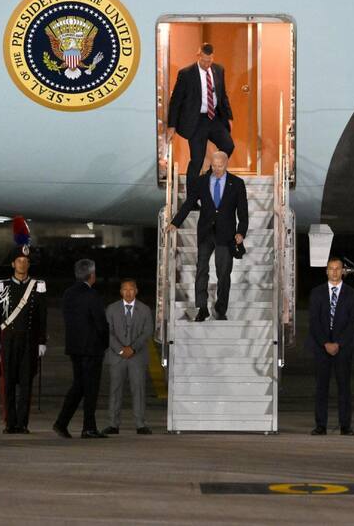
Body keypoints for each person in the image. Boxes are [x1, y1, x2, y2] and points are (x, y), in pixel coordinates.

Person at [168, 150, 248, 321]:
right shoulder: (201, 181)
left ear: (226, 164)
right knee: (201, 269)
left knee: (223, 273)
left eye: (220, 166)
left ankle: (221, 308)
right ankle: (202, 307)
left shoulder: (237, 183)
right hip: (205, 232)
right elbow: (189, 203)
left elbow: (243, 211)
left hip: (226, 234)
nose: (217, 169)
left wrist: (241, 232)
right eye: (214, 165)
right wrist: (175, 222)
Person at [0, 247, 48, 434]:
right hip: (8, 340)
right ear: (13, 264)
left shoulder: (38, 285)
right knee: (7, 382)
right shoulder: (2, 285)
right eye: (19, 261)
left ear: (29, 264)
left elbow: (42, 316)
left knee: (26, 383)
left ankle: (22, 423)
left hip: (29, 341)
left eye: (25, 261)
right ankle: (10, 423)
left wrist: (42, 341)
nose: (22, 264)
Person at [166, 42, 234, 190]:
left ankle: (209, 176)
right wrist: (171, 125)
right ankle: (191, 196)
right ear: (199, 55)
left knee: (228, 145)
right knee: (197, 160)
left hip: (214, 118)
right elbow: (175, 101)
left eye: (209, 60)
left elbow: (223, 96)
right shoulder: (186, 74)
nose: (206, 64)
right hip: (196, 121)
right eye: (204, 60)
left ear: (213, 57)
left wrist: (229, 117)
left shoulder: (218, 70)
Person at [54, 259, 109, 439]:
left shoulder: (68, 293)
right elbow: (101, 323)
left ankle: (62, 422)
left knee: (79, 386)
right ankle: (88, 427)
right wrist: (105, 343)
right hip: (91, 348)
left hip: (74, 347)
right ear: (91, 275)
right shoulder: (92, 295)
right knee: (91, 389)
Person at [308, 257, 354, 436]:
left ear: (343, 271)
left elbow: (353, 323)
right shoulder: (317, 293)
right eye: (331, 268)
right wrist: (325, 343)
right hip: (322, 348)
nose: (335, 272)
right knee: (321, 387)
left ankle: (345, 425)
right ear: (326, 271)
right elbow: (314, 321)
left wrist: (339, 343)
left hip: (343, 348)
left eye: (338, 268)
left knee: (344, 387)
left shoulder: (351, 294)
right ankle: (320, 425)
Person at [101, 279, 154, 436]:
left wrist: (132, 348)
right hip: (117, 357)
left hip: (137, 357)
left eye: (131, 289)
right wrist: (120, 349)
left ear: (136, 291)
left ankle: (140, 424)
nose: (128, 292)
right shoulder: (111, 309)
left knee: (138, 390)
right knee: (115, 390)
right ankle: (113, 424)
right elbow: (107, 331)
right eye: (125, 289)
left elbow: (147, 331)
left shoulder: (144, 309)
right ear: (121, 291)